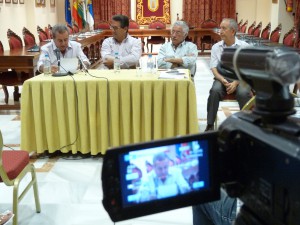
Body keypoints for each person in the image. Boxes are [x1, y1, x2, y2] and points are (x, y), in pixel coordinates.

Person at [205, 18, 252, 131]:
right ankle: (210, 125)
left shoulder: (244, 46)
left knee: (243, 93)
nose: (220, 31)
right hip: (222, 77)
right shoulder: (216, 47)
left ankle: (246, 126)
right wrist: (222, 79)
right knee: (215, 91)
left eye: (223, 28)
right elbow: (213, 67)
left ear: (232, 31)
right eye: (220, 28)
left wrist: (236, 82)